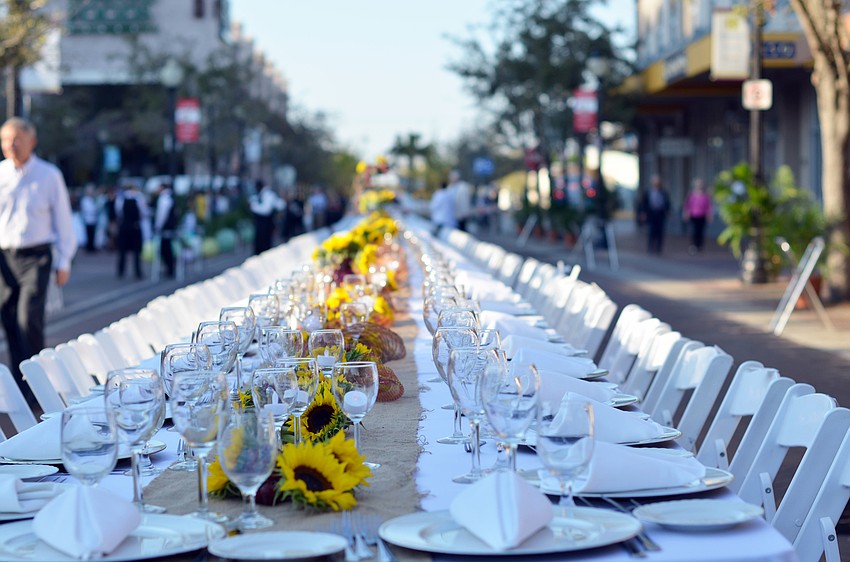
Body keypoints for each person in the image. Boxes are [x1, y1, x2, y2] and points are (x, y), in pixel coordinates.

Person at [0, 117, 77, 398]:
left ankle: (37, 385)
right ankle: (20, 387)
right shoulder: (1, 174)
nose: (11, 145)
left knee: (27, 319)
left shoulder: (48, 175)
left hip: (36, 257)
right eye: (6, 140)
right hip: (4, 258)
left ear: (32, 141)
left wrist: (64, 259)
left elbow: (63, 221)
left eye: (17, 139)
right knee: (8, 319)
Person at [115, 182, 148, 279]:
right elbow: (144, 212)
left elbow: (118, 212)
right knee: (137, 251)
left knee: (122, 251)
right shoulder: (139, 197)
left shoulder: (121, 198)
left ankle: (121, 271)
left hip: (124, 226)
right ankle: (137, 272)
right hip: (135, 226)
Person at [638, 174, 671, 254]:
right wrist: (643, 213)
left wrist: (667, 211)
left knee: (660, 231)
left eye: (657, 181)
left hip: (660, 213)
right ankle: (650, 247)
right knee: (651, 231)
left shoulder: (663, 192)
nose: (656, 183)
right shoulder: (648, 192)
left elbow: (667, 202)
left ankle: (659, 248)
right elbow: (644, 203)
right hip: (651, 214)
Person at [249, 180, 283, 255]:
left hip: (265, 224)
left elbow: (266, 210)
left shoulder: (268, 195)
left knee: (265, 245)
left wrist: (254, 207)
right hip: (260, 224)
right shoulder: (259, 195)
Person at [153, 182, 179, 278]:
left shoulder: (164, 198)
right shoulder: (170, 197)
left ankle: (170, 268)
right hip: (170, 227)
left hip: (166, 228)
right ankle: (170, 268)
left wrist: (158, 226)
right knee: (167, 248)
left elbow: (161, 215)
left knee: (165, 249)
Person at [683, 177, 713, 254]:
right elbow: (688, 205)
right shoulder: (692, 195)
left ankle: (700, 245)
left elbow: (708, 206)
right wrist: (686, 213)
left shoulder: (706, 195)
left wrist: (709, 215)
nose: (699, 186)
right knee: (694, 231)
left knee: (701, 231)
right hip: (694, 215)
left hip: (702, 215)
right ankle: (693, 245)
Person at [79, 184, 100, 253]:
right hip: (88, 219)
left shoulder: (93, 199)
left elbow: (96, 208)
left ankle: (92, 247)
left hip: (93, 219)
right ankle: (89, 247)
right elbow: (86, 209)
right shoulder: (85, 200)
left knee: (92, 234)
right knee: (88, 234)